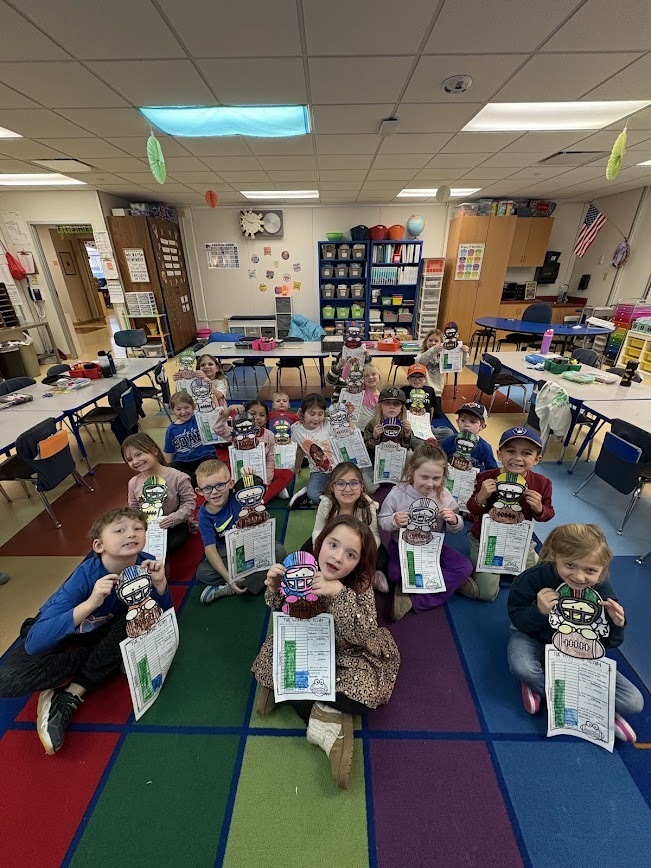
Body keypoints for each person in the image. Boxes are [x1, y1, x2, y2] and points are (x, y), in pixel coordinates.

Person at [0, 507, 171, 754]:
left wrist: (161, 585)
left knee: (135, 623)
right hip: (63, 633)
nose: (131, 534)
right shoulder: (84, 577)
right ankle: (94, 662)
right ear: (99, 545)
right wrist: (90, 603)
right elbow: (36, 641)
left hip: (102, 631)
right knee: (6, 680)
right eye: (120, 530)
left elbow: (160, 616)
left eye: (138, 528)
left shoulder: (145, 562)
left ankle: (71, 694)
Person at [252, 515, 400, 789]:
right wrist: (273, 588)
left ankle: (293, 698)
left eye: (350, 554)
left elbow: (364, 633)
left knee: (365, 694)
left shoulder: (360, 585)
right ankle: (325, 723)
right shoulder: (300, 570)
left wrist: (340, 594)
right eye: (333, 545)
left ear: (358, 562)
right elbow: (279, 609)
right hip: (304, 646)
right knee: (278, 660)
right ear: (320, 543)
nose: (337, 557)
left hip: (347, 653)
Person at [507, 523, 644, 742]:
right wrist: (539, 611)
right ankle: (593, 708)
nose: (579, 577)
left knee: (634, 702)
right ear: (555, 556)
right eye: (570, 565)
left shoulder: (602, 591)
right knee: (522, 666)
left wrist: (617, 624)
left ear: (602, 569)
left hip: (576, 651)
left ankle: (554, 691)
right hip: (532, 636)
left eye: (590, 570)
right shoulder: (533, 578)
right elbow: (518, 620)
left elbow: (608, 644)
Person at [378, 444, 472, 620]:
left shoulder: (444, 495)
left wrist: (453, 520)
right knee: (395, 574)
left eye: (436, 478)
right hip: (402, 546)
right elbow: (382, 521)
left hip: (432, 549)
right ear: (411, 471)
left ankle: (414, 601)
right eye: (424, 477)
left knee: (464, 566)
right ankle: (448, 582)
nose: (430, 484)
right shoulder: (398, 493)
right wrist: (394, 521)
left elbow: (456, 528)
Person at [463, 426, 554, 602]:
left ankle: (531, 555)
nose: (517, 458)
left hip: (518, 541)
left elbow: (548, 514)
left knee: (541, 582)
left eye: (526, 453)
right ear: (499, 454)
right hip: (486, 539)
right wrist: (481, 495)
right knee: (486, 594)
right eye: (510, 451)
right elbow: (471, 510)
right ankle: (460, 580)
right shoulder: (485, 477)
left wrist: (539, 508)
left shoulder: (542, 483)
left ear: (537, 459)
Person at [195, 459, 286, 604]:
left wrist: (250, 475)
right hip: (226, 553)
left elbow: (254, 488)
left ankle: (229, 588)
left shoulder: (239, 497)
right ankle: (244, 581)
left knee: (279, 551)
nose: (214, 492)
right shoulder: (203, 515)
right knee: (203, 573)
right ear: (199, 491)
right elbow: (210, 549)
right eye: (207, 488)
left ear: (230, 484)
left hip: (252, 545)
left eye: (220, 485)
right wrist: (228, 577)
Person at [308, 461, 389, 591]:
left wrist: (364, 551)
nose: (347, 489)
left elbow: (374, 534)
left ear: (362, 486)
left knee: (383, 559)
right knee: (306, 551)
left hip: (357, 545)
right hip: (334, 541)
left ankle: (371, 575)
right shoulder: (326, 504)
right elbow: (318, 529)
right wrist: (319, 549)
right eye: (340, 483)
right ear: (332, 488)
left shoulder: (368, 506)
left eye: (354, 483)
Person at [122, 432, 197, 554]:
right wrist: (140, 523)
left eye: (139, 454)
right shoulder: (133, 483)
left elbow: (189, 502)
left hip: (174, 523)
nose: (135, 462)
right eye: (129, 460)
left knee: (174, 543)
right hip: (149, 526)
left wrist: (174, 518)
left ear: (154, 451)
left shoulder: (179, 477)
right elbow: (134, 508)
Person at [289, 393, 335, 508]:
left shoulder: (328, 424)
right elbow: (300, 449)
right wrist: (296, 467)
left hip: (338, 468)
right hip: (319, 472)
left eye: (320, 414)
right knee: (313, 494)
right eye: (312, 414)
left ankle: (329, 498)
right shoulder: (296, 429)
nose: (316, 418)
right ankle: (310, 494)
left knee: (351, 490)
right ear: (302, 412)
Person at [163, 392, 216, 487]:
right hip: (184, 462)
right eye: (178, 409)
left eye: (186, 408)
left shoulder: (199, 419)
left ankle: (196, 480)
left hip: (204, 457)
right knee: (173, 468)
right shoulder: (171, 429)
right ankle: (199, 479)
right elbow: (169, 452)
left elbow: (213, 409)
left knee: (213, 463)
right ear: (173, 410)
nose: (183, 412)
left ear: (193, 407)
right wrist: (169, 469)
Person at [244, 400, 293, 501]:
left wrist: (267, 480)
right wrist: (227, 413)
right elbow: (219, 429)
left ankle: (262, 500)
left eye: (261, 415)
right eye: (252, 414)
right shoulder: (238, 434)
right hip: (244, 473)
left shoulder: (269, 434)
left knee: (288, 473)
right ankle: (274, 490)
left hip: (264, 472)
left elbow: (271, 459)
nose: (257, 418)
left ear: (266, 419)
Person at [439, 402, 498, 472]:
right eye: (463, 420)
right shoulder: (448, 441)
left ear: (482, 426)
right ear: (457, 422)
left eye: (472, 422)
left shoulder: (485, 448)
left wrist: (476, 469)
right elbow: (437, 460)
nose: (466, 424)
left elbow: (493, 471)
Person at [415, 328, 469, 397]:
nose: (433, 343)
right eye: (430, 340)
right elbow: (419, 362)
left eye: (436, 341)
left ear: (441, 343)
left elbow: (459, 365)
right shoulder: (421, 353)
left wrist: (464, 353)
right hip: (422, 390)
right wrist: (433, 350)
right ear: (426, 342)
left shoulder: (444, 356)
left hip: (437, 392)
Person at [357, 363, 382, 430]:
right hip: (357, 429)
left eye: (373, 374)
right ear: (362, 379)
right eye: (366, 376)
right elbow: (345, 376)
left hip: (370, 430)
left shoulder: (381, 397)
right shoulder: (359, 391)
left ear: (379, 376)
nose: (370, 377)